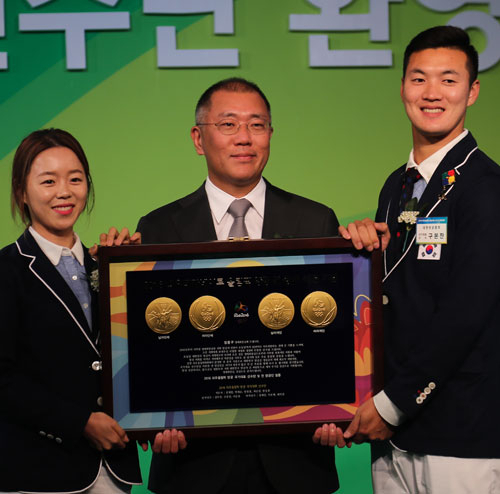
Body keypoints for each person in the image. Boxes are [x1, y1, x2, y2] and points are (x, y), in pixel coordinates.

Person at [134, 77, 343, 494]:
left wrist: (340, 409)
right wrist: (151, 417)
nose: (244, 138)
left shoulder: (316, 222)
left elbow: (333, 341)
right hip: (193, 464)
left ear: (270, 134)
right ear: (198, 138)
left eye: (257, 125)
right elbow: (146, 348)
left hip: (295, 462)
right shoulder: (156, 228)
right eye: (228, 124)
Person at [340, 26, 500, 493]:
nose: (432, 93)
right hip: (394, 436)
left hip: (459, 435)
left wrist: (392, 405)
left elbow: (465, 315)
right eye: (418, 79)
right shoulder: (398, 184)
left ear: (472, 91)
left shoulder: (485, 189)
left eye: (448, 80)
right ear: (403, 87)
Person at [0, 129, 142, 492]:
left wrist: (139, 272)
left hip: (114, 469)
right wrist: (78, 421)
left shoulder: (109, 267)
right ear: (21, 192)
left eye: (75, 179)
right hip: (38, 471)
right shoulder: (7, 270)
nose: (64, 192)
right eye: (48, 181)